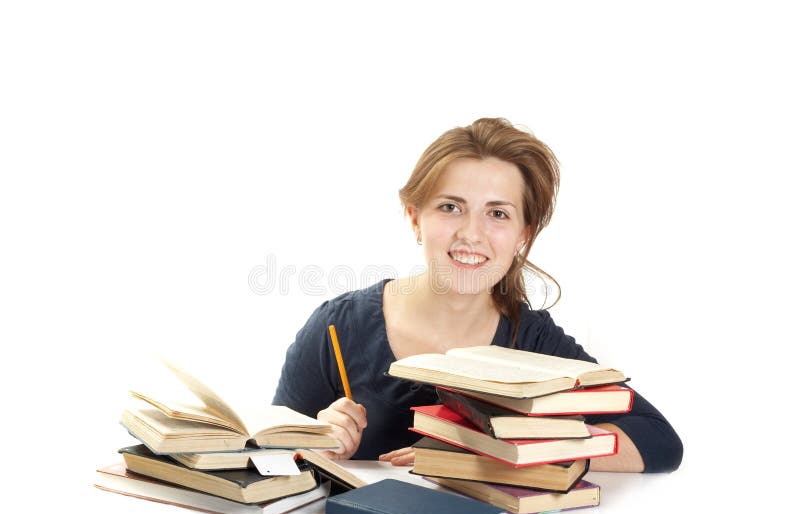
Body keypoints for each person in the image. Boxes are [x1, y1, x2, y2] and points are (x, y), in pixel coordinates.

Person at [273, 118, 683, 473]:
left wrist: (496, 451)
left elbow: (658, 440)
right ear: (415, 217)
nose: (471, 233)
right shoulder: (335, 328)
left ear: (524, 234)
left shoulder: (535, 342)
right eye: (451, 207)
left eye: (498, 213)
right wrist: (308, 446)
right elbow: (260, 459)